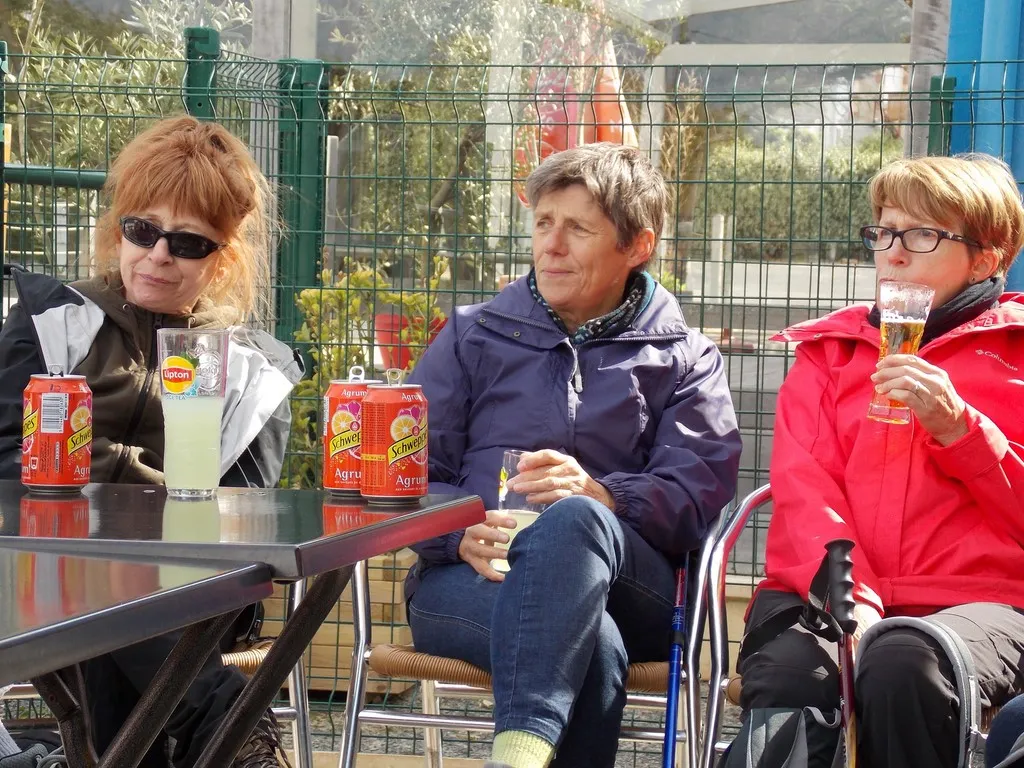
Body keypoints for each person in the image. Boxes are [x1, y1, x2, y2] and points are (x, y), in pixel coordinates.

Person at [404, 143, 742, 768]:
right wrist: (456, 532)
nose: (551, 246)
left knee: (577, 518)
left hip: (630, 585)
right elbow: (408, 474)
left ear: (637, 247)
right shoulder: (471, 337)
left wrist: (604, 495)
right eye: (543, 223)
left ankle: (515, 756)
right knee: (594, 645)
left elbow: (696, 495)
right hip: (469, 577)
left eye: (578, 229)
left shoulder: (686, 358)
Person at [0, 116, 303, 767]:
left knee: (125, 603)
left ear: (223, 256)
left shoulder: (252, 370)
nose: (159, 254)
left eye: (188, 242)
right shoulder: (52, 322)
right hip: (37, 566)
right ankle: (227, 726)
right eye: (142, 230)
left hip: (182, 588)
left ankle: (208, 730)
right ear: (119, 231)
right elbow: (7, 468)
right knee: (103, 590)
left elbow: (249, 519)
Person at [733, 153, 1024, 768]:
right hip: (825, 592)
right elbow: (806, 494)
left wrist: (962, 430)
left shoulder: (1016, 353)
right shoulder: (830, 353)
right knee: (791, 676)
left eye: (922, 235)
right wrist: (852, 599)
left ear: (986, 258)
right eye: (885, 232)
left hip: (983, 603)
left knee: (904, 661)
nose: (893, 254)